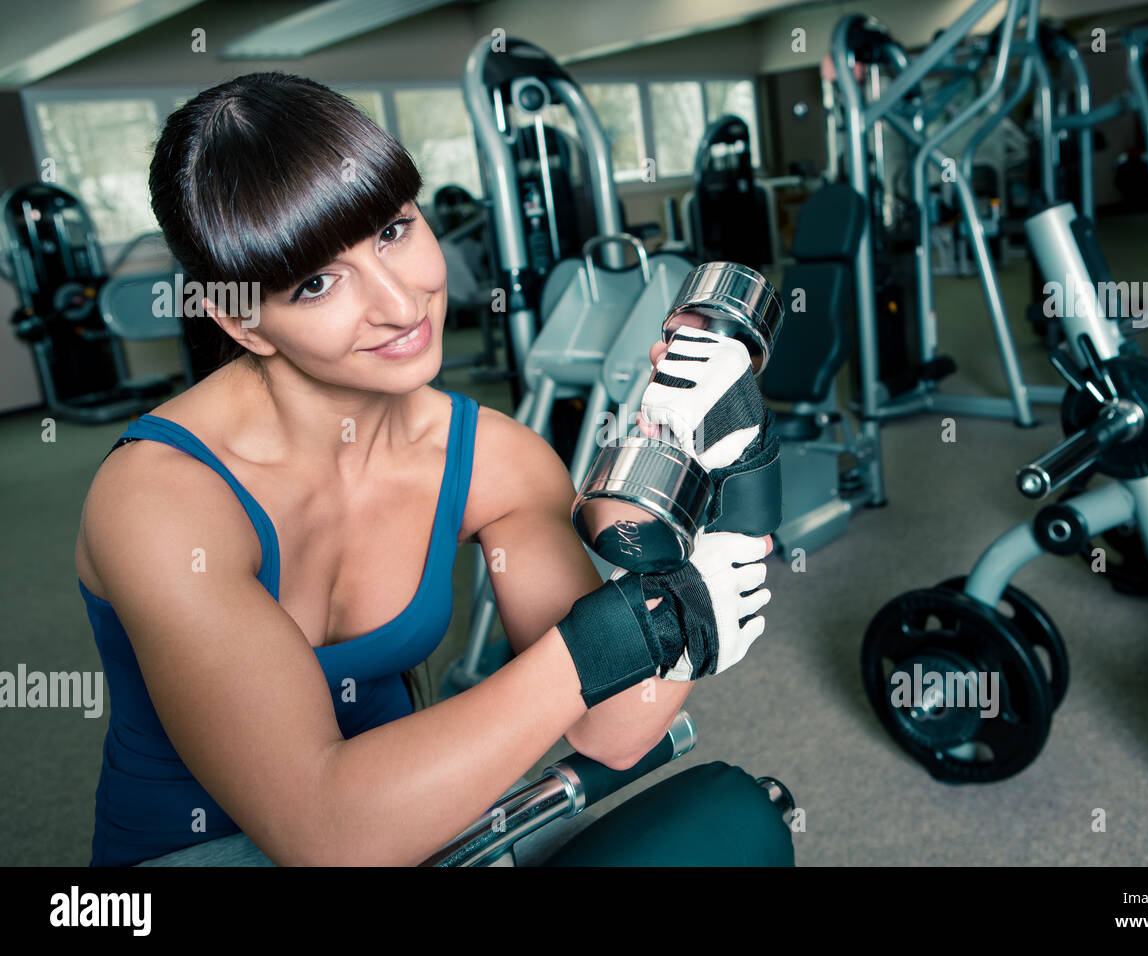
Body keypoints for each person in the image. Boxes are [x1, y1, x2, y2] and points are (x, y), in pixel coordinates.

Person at [74, 72, 779, 866]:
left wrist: (717, 477)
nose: (400, 303)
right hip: (209, 854)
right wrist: (633, 628)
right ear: (241, 320)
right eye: (316, 283)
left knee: (736, 830)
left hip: (415, 819)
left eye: (393, 230)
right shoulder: (160, 497)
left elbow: (612, 730)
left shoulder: (495, 459)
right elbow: (321, 830)